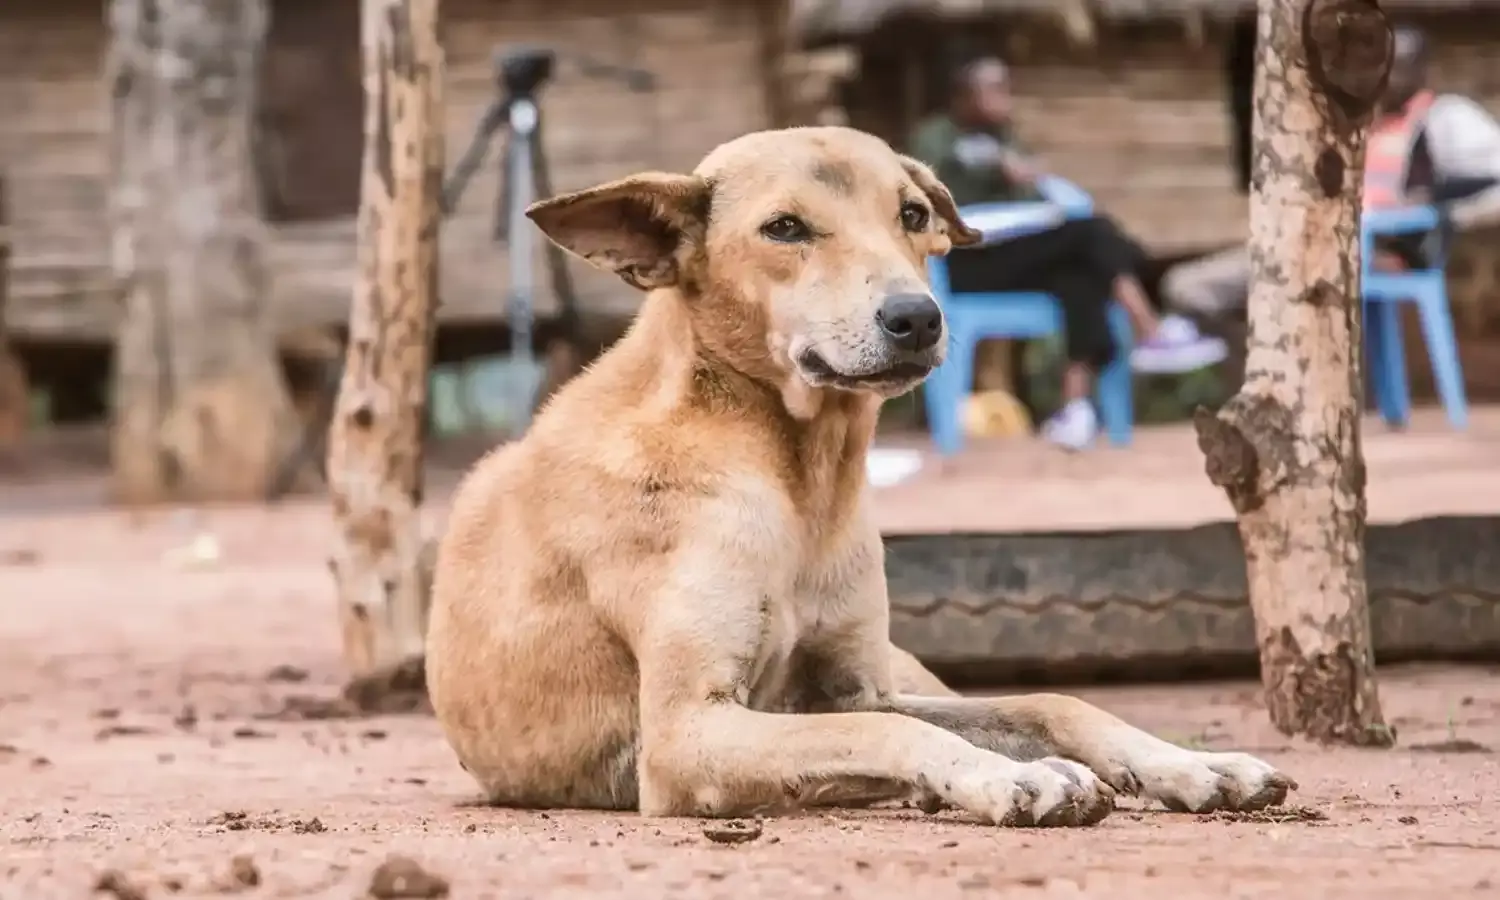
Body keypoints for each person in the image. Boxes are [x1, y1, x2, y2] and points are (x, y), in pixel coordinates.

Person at [909, 56, 1228, 451]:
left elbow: (1030, 195)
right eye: (992, 90)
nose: (1003, 98)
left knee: (1081, 275)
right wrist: (996, 168)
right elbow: (930, 193)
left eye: (1005, 89)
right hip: (967, 263)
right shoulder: (937, 137)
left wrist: (1026, 179)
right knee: (1090, 233)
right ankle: (1150, 330)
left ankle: (1075, 407)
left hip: (1017, 252)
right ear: (964, 97)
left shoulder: (1007, 137)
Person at [1162, 24, 1500, 322]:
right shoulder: (1368, 125)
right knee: (1190, 286)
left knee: (1194, 288)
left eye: (1398, 67)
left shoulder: (1445, 118)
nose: (1386, 77)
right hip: (1329, 244)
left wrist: (1431, 203)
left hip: (1383, 252)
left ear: (1422, 70)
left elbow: (1492, 178)